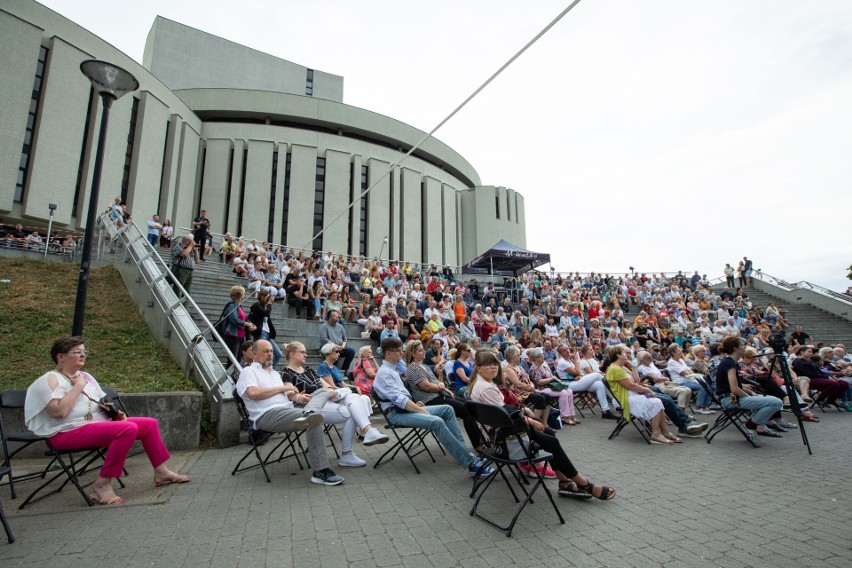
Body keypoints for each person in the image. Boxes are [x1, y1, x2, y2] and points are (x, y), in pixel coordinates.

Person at [24, 337, 190, 505]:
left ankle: (161, 472)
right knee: (127, 429)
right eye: (77, 352)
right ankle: (102, 484)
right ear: (61, 357)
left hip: (96, 425)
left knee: (149, 424)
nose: (83, 355)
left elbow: (100, 402)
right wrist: (78, 386)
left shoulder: (85, 376)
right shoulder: (49, 380)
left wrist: (115, 414)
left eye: (84, 352)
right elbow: (59, 412)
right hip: (65, 432)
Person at [468, 350, 616, 500]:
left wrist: (524, 412)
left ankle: (564, 481)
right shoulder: (486, 387)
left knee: (549, 434)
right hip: (505, 439)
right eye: (488, 365)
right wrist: (530, 420)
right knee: (551, 440)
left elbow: (504, 410)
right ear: (479, 368)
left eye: (495, 364)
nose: (493, 367)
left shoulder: (482, 383)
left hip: (502, 433)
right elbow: (505, 416)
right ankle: (583, 483)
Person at [372, 337, 495, 478]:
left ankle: (464, 452)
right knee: (436, 421)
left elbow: (402, 397)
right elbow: (400, 401)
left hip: (404, 408)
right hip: (396, 414)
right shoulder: (385, 373)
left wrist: (415, 404)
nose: (401, 353)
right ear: (388, 353)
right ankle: (470, 463)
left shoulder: (392, 370)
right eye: (398, 350)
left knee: (448, 410)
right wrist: (422, 410)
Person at [236, 340, 344, 485]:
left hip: (289, 408)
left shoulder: (274, 373)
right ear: (254, 354)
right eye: (265, 351)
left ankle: (310, 411)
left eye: (271, 351)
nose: (270, 354)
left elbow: (286, 394)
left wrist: (298, 396)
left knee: (322, 392)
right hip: (267, 415)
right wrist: (282, 389)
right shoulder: (248, 371)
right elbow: (253, 393)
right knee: (315, 419)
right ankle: (320, 471)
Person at [282, 342, 388, 468]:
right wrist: (298, 396)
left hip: (327, 399)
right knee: (352, 407)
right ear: (293, 354)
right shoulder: (287, 372)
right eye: (303, 352)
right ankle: (353, 447)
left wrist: (332, 391)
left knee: (353, 398)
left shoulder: (309, 370)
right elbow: (289, 391)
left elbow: (326, 386)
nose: (306, 355)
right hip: (310, 406)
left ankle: (366, 433)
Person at [404, 340, 483, 451]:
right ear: (413, 354)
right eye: (420, 350)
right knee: (467, 410)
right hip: (429, 401)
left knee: (469, 406)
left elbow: (437, 382)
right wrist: (440, 387)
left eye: (423, 349)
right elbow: (426, 387)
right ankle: (478, 444)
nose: (424, 351)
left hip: (439, 396)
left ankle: (480, 440)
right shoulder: (413, 368)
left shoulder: (424, 366)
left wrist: (443, 382)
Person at [605, 344, 679, 445]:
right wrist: (647, 390)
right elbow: (631, 386)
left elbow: (637, 381)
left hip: (632, 395)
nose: (627, 354)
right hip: (625, 398)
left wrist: (632, 367)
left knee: (658, 401)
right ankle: (656, 434)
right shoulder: (615, 369)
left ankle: (664, 432)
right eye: (623, 352)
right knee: (656, 401)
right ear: (618, 355)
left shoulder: (622, 367)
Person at [715, 336, 783, 445]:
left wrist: (746, 389)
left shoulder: (730, 362)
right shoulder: (730, 363)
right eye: (742, 345)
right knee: (776, 402)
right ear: (735, 348)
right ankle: (750, 425)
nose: (744, 347)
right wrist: (748, 396)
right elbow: (734, 388)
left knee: (773, 400)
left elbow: (732, 385)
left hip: (731, 397)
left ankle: (753, 424)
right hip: (730, 400)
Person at [527, 347, 578, 425]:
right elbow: (539, 382)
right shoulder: (534, 368)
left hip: (551, 386)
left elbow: (551, 376)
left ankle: (571, 415)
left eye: (543, 355)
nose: (543, 357)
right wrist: (551, 379)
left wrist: (557, 380)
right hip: (542, 388)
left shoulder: (543, 365)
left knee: (569, 391)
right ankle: (564, 417)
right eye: (541, 356)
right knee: (563, 393)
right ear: (535, 358)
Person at [221, 285, 256, 365]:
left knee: (238, 359)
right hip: (233, 336)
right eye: (243, 293)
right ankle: (229, 376)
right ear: (239, 294)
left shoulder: (239, 306)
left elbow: (244, 319)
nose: (244, 294)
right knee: (233, 359)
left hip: (240, 336)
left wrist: (250, 325)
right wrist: (247, 324)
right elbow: (234, 319)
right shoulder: (232, 305)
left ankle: (235, 376)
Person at [248, 290, 281, 368]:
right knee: (261, 356)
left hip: (267, 333)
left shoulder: (265, 307)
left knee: (278, 354)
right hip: (261, 333)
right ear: (262, 297)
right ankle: (261, 371)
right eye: (267, 297)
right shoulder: (257, 305)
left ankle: (268, 370)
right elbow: (266, 313)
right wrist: (269, 304)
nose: (268, 299)